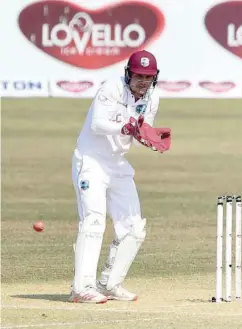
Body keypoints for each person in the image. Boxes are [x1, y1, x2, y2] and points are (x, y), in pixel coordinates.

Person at [69, 50, 170, 303]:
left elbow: (136, 136)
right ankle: (81, 288)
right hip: (91, 160)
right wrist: (125, 127)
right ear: (128, 74)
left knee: (134, 227)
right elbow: (97, 125)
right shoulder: (112, 88)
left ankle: (109, 283)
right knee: (94, 221)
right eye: (138, 76)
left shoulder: (153, 98)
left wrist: (146, 138)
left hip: (117, 163)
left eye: (148, 77)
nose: (143, 82)